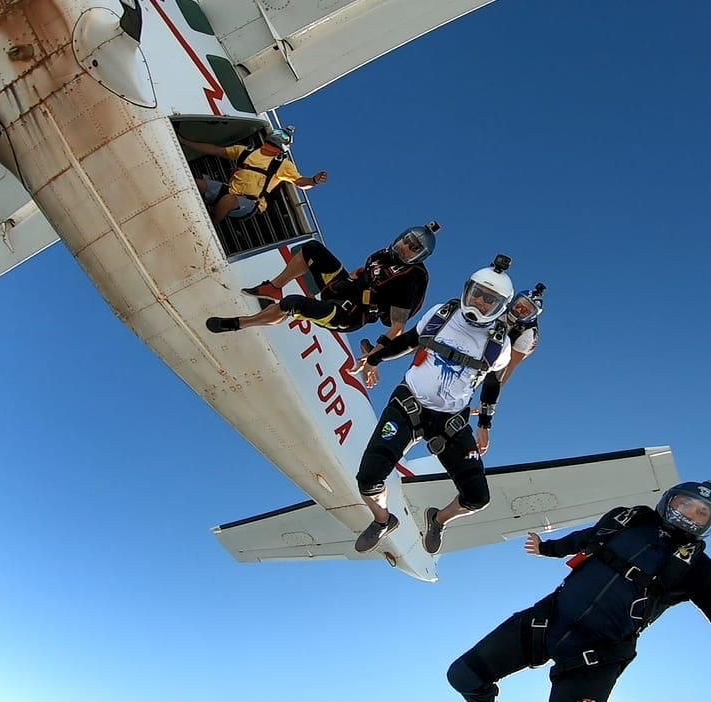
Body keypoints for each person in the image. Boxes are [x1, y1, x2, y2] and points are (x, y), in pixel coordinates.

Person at [447, 481, 711, 702]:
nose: (691, 514)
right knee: (462, 675)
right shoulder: (628, 521)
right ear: (669, 502)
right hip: (545, 621)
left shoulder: (704, 573)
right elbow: (586, 538)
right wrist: (547, 549)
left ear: (709, 526)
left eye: (703, 513)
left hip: (598, 655)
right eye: (685, 504)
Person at [351, 255, 516, 555]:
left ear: (499, 307)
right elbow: (411, 341)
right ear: (467, 290)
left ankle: (438, 520)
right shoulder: (443, 313)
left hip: (449, 421)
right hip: (407, 405)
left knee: (477, 497)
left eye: (489, 300)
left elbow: (493, 383)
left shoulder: (499, 344)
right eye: (476, 292)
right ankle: (383, 520)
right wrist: (376, 357)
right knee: (368, 479)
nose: (479, 301)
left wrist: (485, 426)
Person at [205, 223, 437, 336]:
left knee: (292, 304)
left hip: (349, 314)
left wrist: (374, 357)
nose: (406, 247)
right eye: (407, 240)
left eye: (414, 248)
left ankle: (239, 323)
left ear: (419, 256)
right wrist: (354, 277)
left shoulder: (411, 278)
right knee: (313, 249)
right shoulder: (383, 254)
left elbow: (397, 326)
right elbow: (363, 272)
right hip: (344, 288)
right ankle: (273, 287)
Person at [179, 126, 327, 223]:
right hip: (229, 190)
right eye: (278, 132)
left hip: (250, 202)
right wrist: (184, 142)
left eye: (283, 136)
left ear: (285, 147)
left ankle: (210, 225)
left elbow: (299, 182)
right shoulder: (246, 151)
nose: (278, 135)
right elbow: (216, 150)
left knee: (228, 201)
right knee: (197, 184)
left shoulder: (283, 165)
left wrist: (313, 180)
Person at [471, 283, 545, 455]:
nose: (519, 311)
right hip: (478, 342)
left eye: (526, 311)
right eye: (519, 305)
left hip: (504, 354)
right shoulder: (498, 307)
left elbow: (504, 371)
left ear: (533, 316)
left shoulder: (528, 334)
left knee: (492, 372)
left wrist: (485, 412)